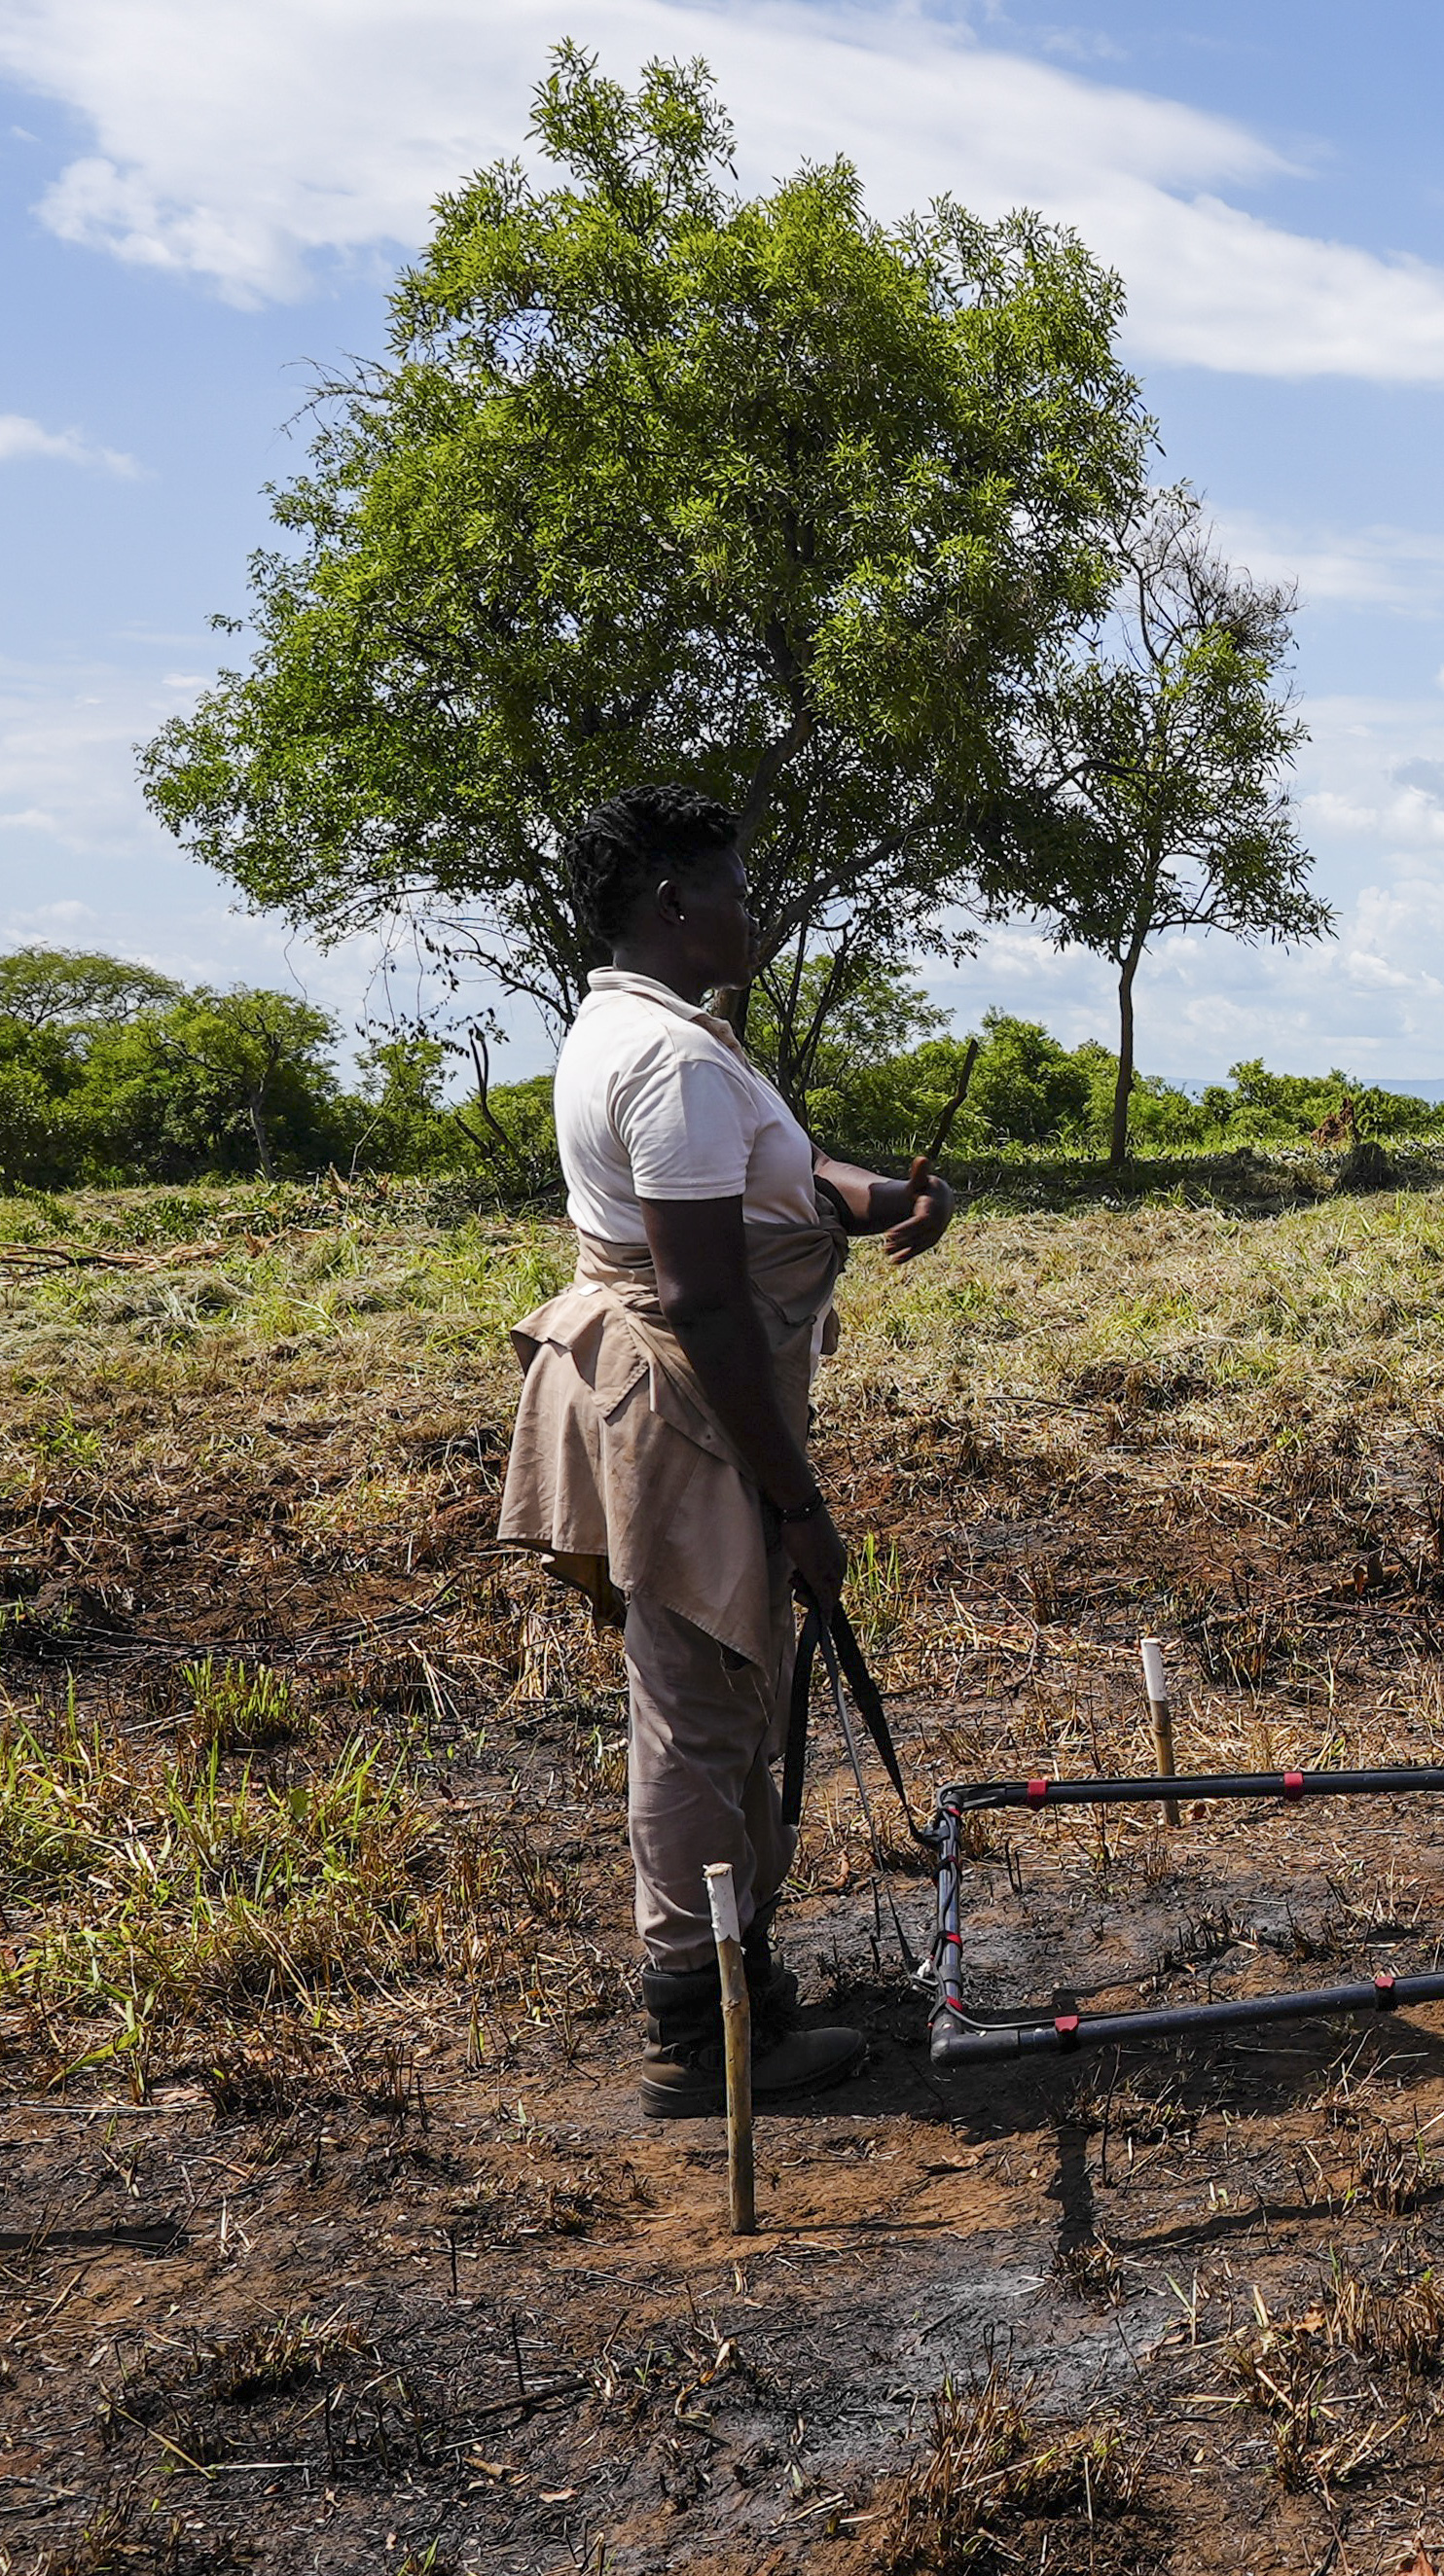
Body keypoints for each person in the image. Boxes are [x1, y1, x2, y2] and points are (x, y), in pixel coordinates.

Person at [497, 785, 956, 2115]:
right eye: (737, 889)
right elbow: (702, 1295)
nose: (755, 913)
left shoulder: (639, 1031)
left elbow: (794, 1183)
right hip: (691, 1400)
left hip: (672, 1385)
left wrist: (901, 1199)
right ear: (674, 904)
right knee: (699, 1711)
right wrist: (794, 1500)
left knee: (710, 1699)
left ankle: (731, 1985)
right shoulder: (678, 1060)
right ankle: (701, 2038)